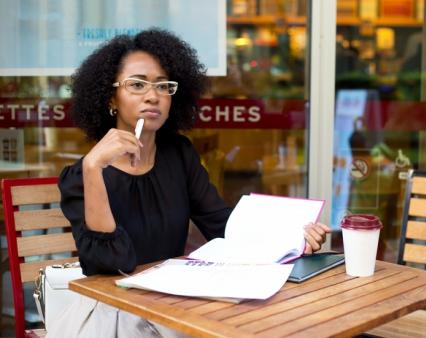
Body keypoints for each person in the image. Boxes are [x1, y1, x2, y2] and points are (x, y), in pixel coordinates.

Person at [47, 28, 330, 337]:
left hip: (174, 306)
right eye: (137, 85)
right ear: (111, 97)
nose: (152, 95)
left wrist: (290, 236)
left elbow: (222, 227)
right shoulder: (82, 176)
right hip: (113, 315)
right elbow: (112, 263)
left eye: (163, 86)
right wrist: (93, 168)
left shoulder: (178, 155)